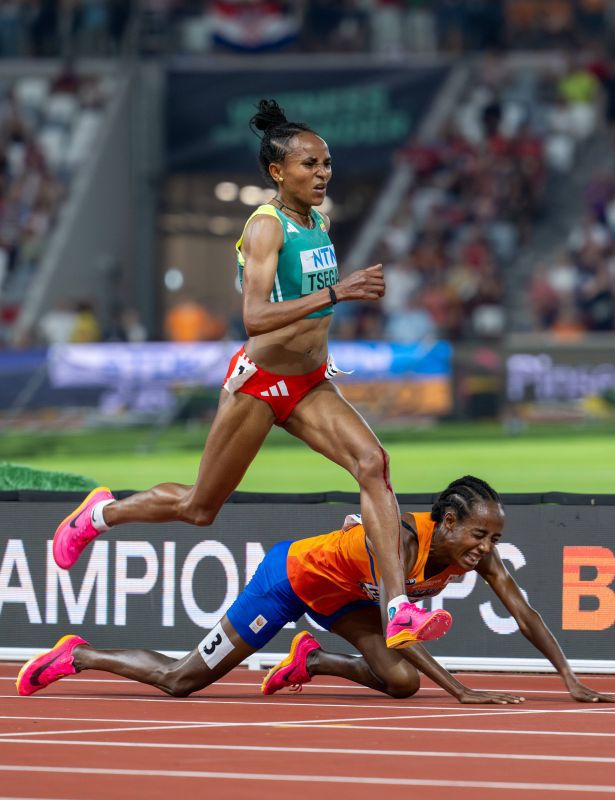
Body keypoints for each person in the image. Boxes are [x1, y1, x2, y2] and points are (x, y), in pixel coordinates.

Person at [51, 99, 430, 652]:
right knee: (199, 508)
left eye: (327, 164)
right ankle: (100, 514)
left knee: (373, 464)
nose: (323, 174)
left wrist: (330, 304)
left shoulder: (317, 219)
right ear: (278, 172)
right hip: (262, 383)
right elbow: (253, 318)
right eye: (310, 165)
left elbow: (304, 303)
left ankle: (397, 610)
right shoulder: (265, 228)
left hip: (310, 382)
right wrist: (337, 291)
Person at [21, 477, 615, 705]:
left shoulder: (476, 558)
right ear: (445, 523)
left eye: (493, 538)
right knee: (182, 682)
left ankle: (315, 658)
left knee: (401, 682)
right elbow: (401, 628)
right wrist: (462, 691)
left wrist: (568, 679)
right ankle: (77, 654)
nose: (485, 548)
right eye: (478, 534)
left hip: (343, 599)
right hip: (289, 581)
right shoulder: (401, 543)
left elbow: (523, 612)